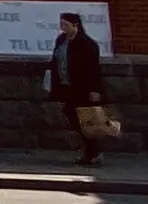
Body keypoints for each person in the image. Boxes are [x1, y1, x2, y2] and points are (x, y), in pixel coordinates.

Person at [43, 10, 117, 164]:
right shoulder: (61, 40)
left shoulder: (87, 44)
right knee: (74, 117)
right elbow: (56, 59)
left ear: (75, 25)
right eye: (61, 24)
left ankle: (93, 152)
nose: (62, 27)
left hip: (83, 88)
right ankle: (89, 152)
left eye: (66, 24)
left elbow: (93, 69)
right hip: (67, 86)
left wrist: (94, 90)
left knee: (86, 120)